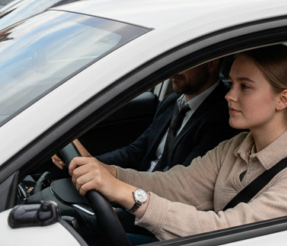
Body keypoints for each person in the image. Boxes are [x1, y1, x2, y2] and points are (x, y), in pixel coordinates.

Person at [67, 44, 287, 242]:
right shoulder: (237, 146)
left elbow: (227, 232)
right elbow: (176, 185)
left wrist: (130, 196)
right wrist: (109, 174)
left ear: (283, 99)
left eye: (245, 86)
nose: (229, 95)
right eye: (231, 83)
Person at [54, 60, 236, 174]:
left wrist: (120, 194)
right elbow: (136, 152)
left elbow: (180, 184)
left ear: (211, 64)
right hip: (137, 189)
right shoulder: (173, 102)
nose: (175, 68)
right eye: (175, 59)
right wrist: (91, 162)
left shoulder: (222, 118)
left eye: (186, 61)